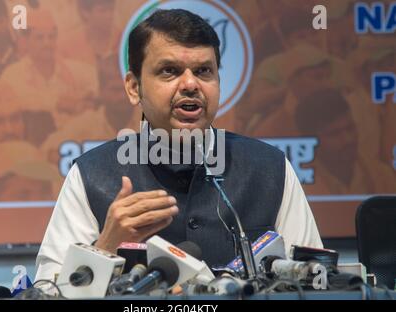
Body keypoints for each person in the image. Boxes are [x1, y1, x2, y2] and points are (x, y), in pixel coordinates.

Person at [35, 9, 322, 282]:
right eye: (170, 71)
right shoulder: (91, 175)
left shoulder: (270, 169)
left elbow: (319, 281)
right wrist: (106, 246)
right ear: (134, 88)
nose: (190, 84)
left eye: (203, 71)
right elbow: (49, 293)